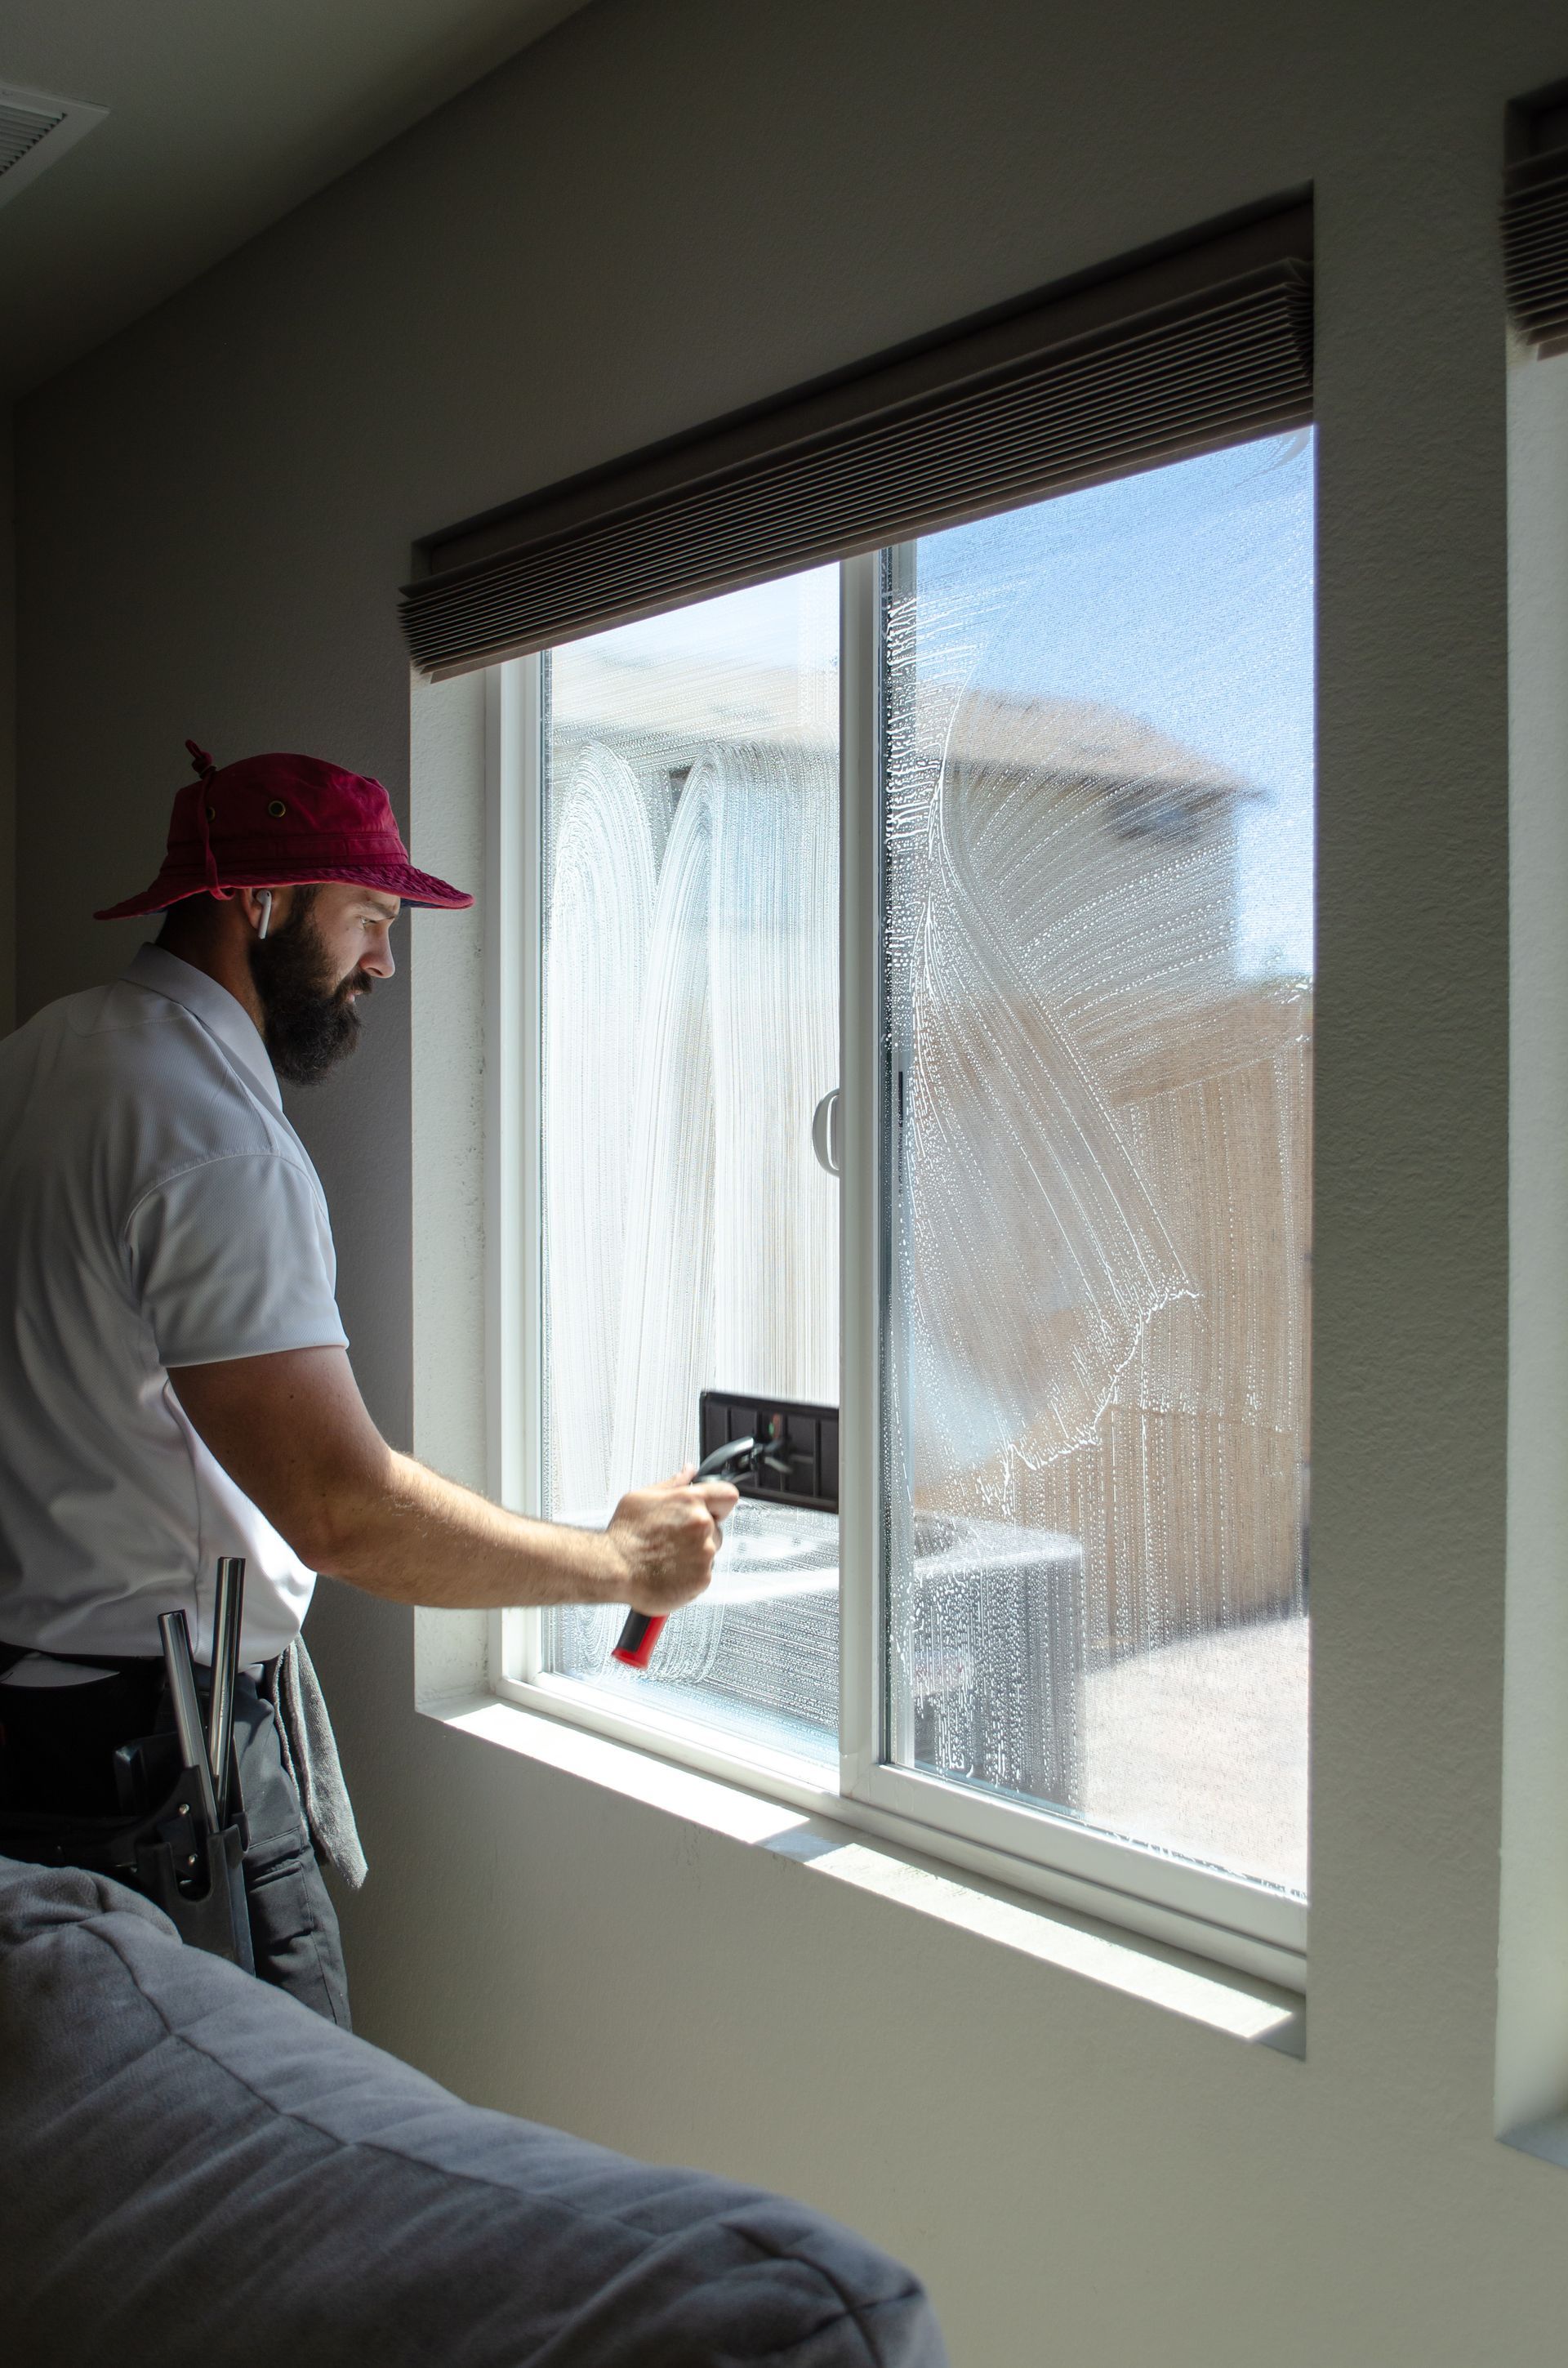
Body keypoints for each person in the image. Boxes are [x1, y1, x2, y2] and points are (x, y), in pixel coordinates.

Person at [0, 741, 736, 2025]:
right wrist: (621, 1564)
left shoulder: (44, 1054)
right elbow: (339, 1510)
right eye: (370, 919)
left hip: (29, 1720)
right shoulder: (209, 1133)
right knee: (258, 2167)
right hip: (143, 1764)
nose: (385, 963)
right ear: (260, 901)